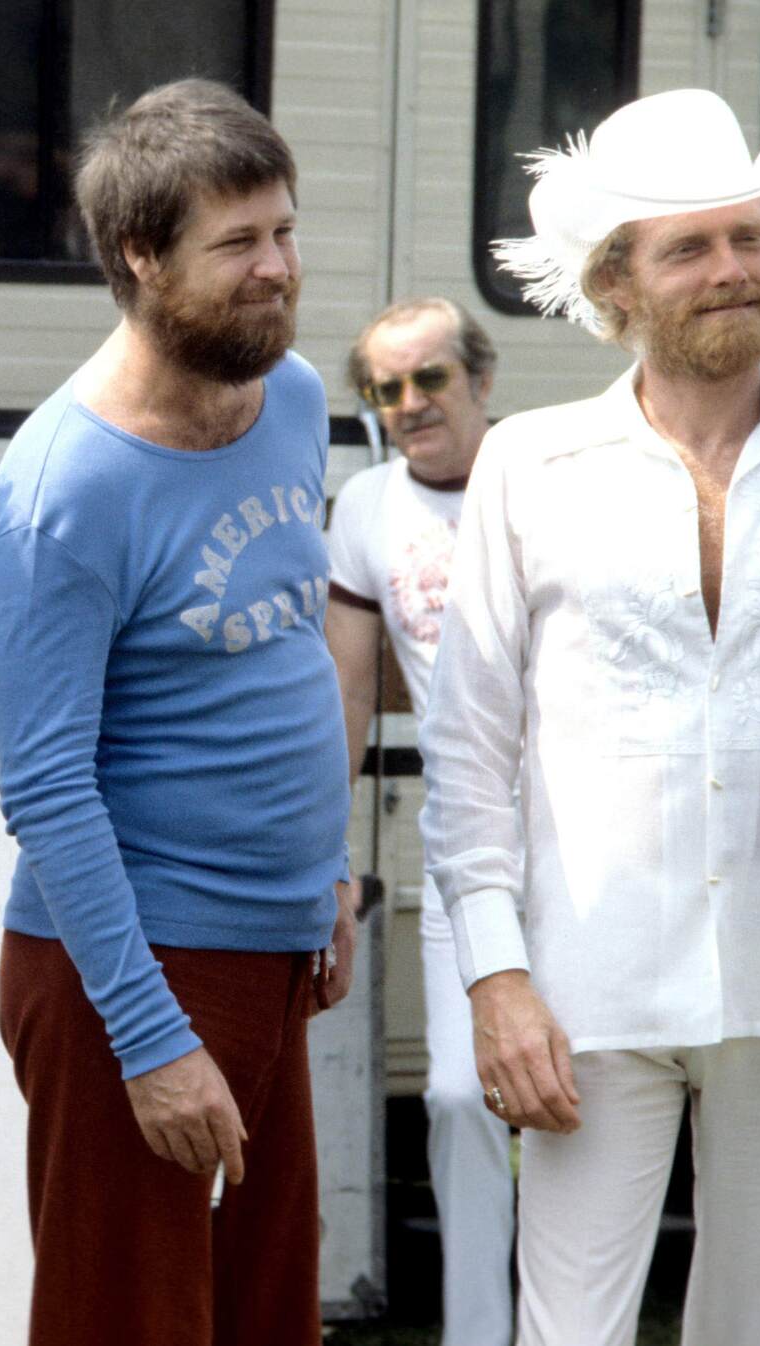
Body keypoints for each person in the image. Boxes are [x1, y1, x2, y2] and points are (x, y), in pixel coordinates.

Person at [423, 88, 760, 1346]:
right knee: (568, 1330)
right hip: (582, 990)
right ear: (618, 284)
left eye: (750, 236)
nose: (733, 270)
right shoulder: (527, 465)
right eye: (690, 246)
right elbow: (465, 748)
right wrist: (495, 979)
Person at [0, 78, 357, 1346]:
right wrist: (149, 1037)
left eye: (285, 232)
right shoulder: (63, 487)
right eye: (236, 243)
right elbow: (43, 787)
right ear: (139, 257)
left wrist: (329, 882)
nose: (277, 270)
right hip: (124, 979)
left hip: (272, 951)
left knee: (263, 1324)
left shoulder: (293, 397)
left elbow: (284, 654)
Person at [324, 296, 510, 1346]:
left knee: (592, 1091)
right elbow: (346, 695)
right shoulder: (362, 507)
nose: (408, 404)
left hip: (584, 839)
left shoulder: (538, 476)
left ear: (479, 381)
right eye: (385, 388)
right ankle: (480, 1332)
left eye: (429, 378)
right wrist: (328, 854)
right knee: (452, 1093)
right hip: (459, 843)